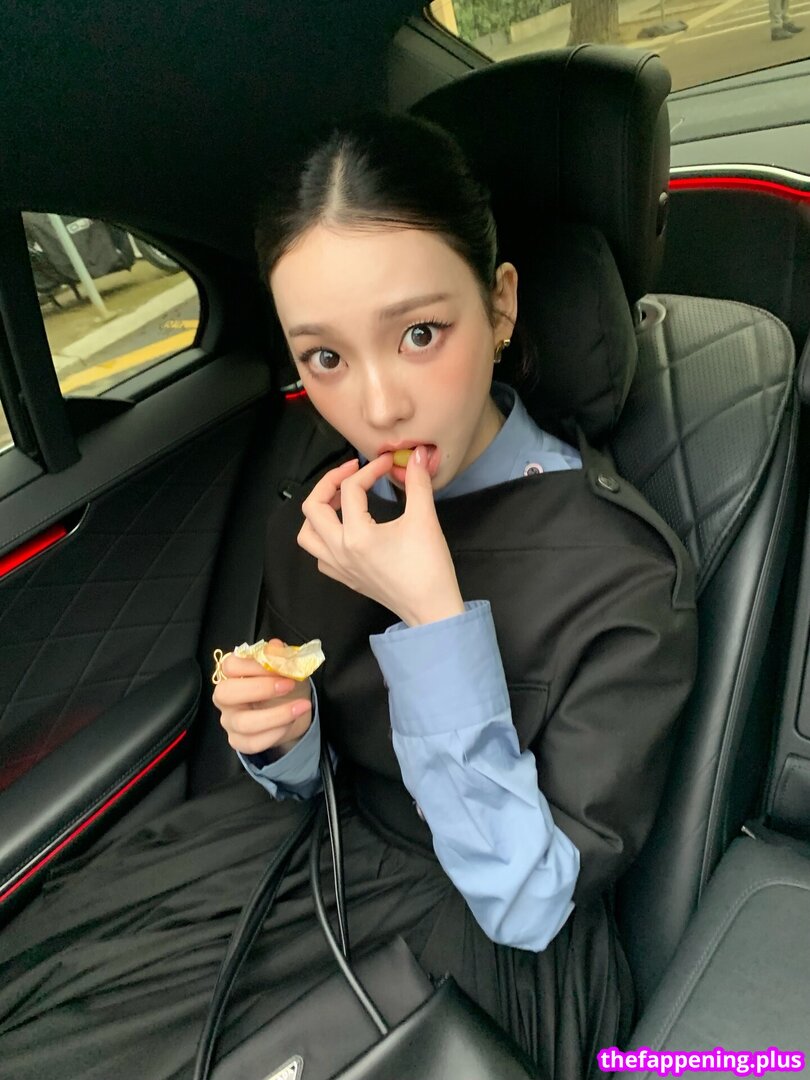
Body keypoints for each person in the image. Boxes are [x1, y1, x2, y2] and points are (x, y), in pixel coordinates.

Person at [0, 113, 698, 1080]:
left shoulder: (623, 574)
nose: (376, 408)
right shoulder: (323, 497)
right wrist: (280, 735)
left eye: (420, 333)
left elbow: (528, 904)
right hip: (305, 859)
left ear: (500, 305)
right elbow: (315, 767)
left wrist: (433, 621)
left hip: (483, 941)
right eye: (325, 357)